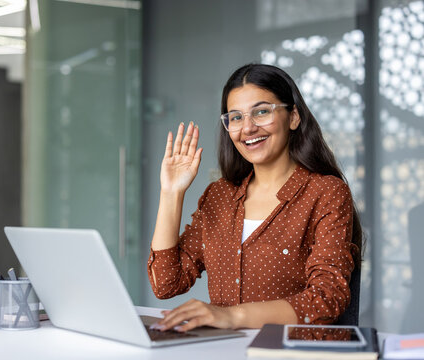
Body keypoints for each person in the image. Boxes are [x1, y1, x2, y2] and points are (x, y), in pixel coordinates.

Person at [147, 63, 362, 332]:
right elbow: (166, 283)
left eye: (261, 112)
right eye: (235, 117)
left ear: (293, 117)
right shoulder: (219, 195)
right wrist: (171, 192)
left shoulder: (326, 192)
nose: (247, 128)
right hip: (226, 352)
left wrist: (232, 316)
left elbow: (327, 299)